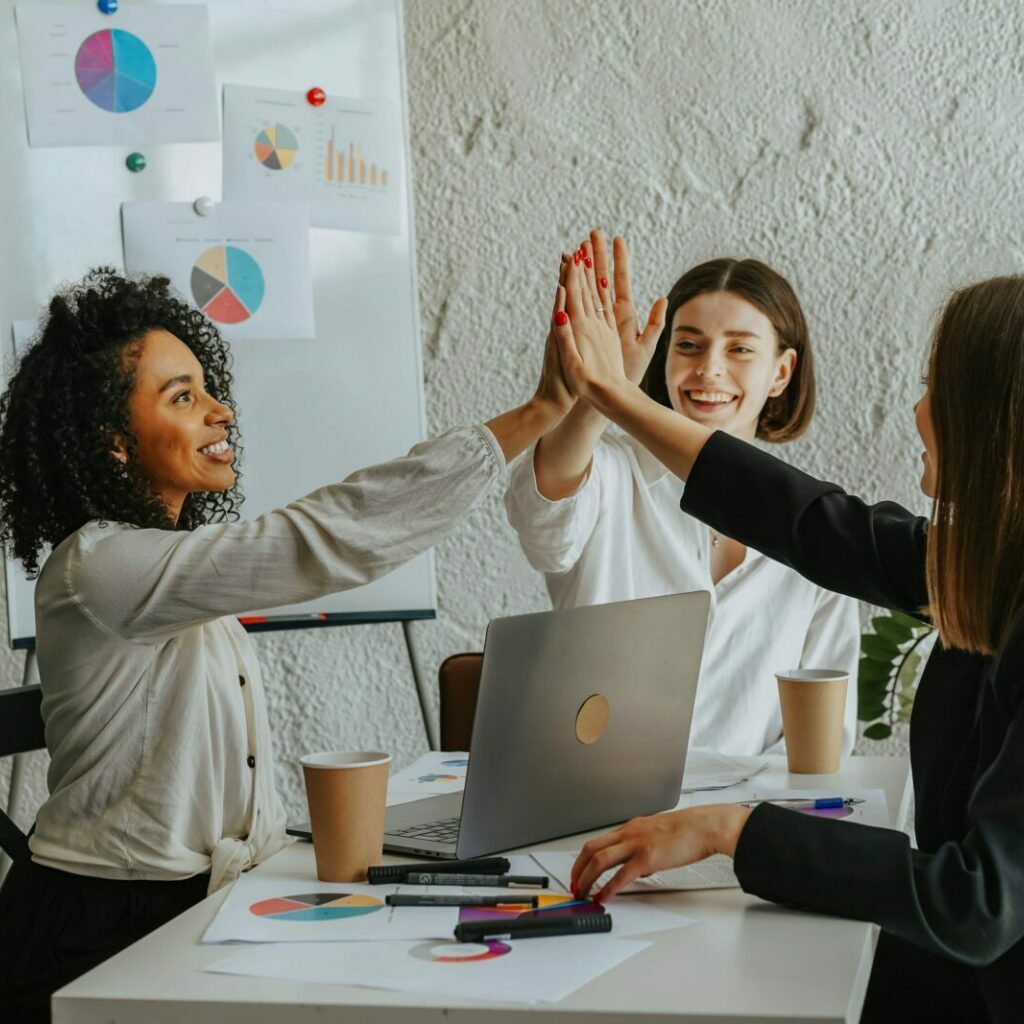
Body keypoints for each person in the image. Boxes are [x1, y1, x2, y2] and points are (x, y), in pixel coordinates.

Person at [0, 267, 574, 1021]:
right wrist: (542, 410)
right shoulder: (98, 566)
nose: (220, 412)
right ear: (112, 444)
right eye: (183, 397)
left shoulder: (170, 566)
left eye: (208, 389)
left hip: (196, 905)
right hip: (99, 929)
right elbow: (321, 540)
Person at [556, 245, 1024, 1023]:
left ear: (992, 422)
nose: (915, 412)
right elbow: (807, 520)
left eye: (933, 390)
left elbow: (972, 900)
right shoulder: (990, 563)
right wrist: (614, 397)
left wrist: (730, 830)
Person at [505, 232, 860, 754]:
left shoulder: (816, 523)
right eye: (688, 344)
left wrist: (740, 827)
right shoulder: (609, 473)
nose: (709, 369)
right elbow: (543, 521)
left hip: (743, 822)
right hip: (597, 813)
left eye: (740, 348)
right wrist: (603, 391)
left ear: (781, 372)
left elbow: (824, 735)